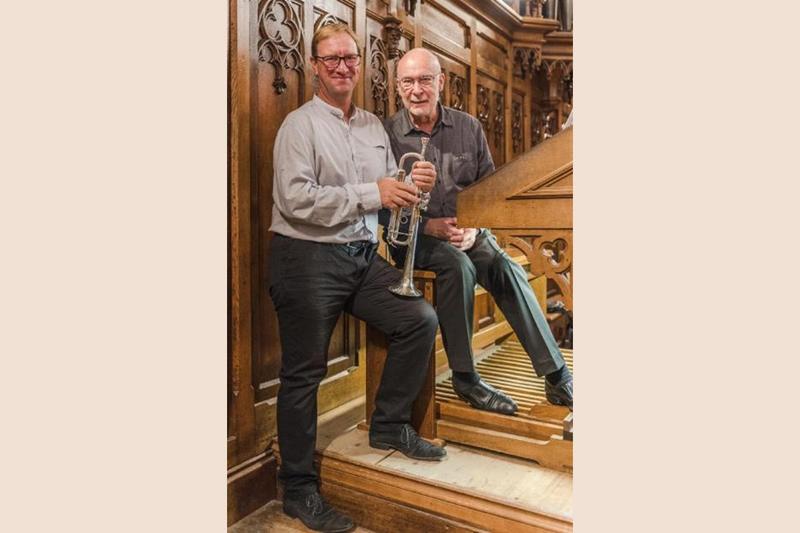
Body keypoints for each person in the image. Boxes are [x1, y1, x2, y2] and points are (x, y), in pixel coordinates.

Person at [269, 26, 445, 533]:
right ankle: (298, 489)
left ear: (360, 63)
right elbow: (296, 199)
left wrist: (415, 185)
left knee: (418, 318)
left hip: (361, 255)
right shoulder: (297, 126)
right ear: (315, 65)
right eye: (331, 60)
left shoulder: (371, 125)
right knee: (304, 372)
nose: (342, 67)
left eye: (349, 58)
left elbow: (393, 185)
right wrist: (375, 193)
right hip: (305, 258)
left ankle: (388, 426)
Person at [382, 48, 574, 417]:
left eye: (425, 80)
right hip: (415, 238)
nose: (417, 90)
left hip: (468, 231)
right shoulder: (385, 133)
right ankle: (466, 377)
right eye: (408, 82)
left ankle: (556, 374)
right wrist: (429, 226)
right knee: (458, 267)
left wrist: (475, 225)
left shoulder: (468, 127)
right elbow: (378, 204)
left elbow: (490, 191)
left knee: (506, 267)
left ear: (440, 82)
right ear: (398, 87)